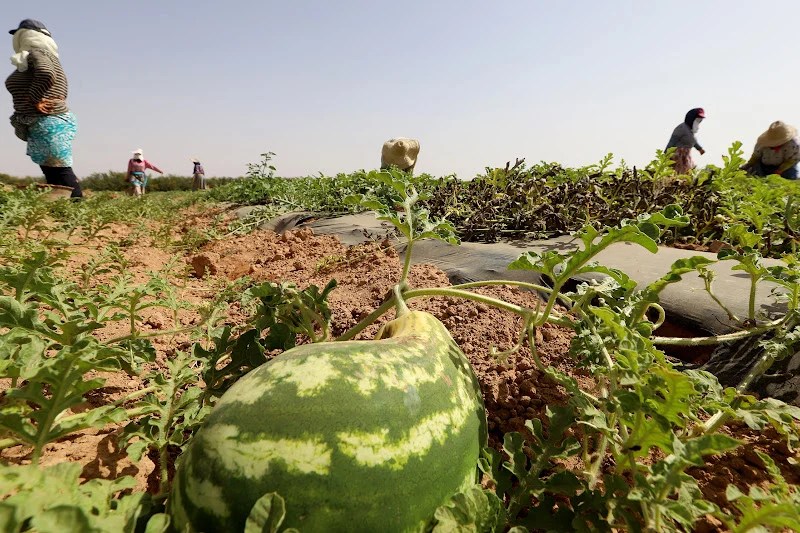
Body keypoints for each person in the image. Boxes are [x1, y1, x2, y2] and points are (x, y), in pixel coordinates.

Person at [5, 19, 82, 198]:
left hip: (48, 121)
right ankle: (61, 205)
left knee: (59, 170)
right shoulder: (43, 56)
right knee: (52, 170)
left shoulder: (37, 53)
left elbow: (46, 74)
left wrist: (35, 99)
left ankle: (77, 206)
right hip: (45, 122)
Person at [665, 108, 706, 175]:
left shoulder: (690, 131)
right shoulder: (681, 128)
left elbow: (693, 141)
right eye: (697, 120)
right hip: (679, 155)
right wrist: (666, 153)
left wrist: (700, 149)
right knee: (680, 171)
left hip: (687, 155)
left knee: (689, 170)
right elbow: (672, 141)